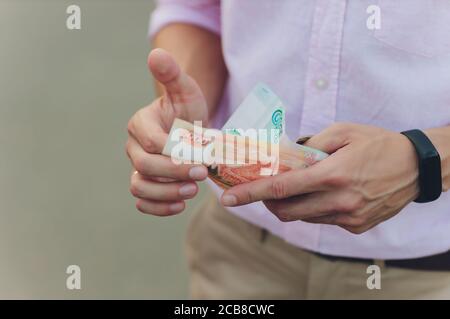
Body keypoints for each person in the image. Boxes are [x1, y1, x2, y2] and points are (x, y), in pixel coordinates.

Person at [125, 1, 450, 299]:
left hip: (428, 273)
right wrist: (189, 118)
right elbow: (196, 9)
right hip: (239, 253)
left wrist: (422, 160)